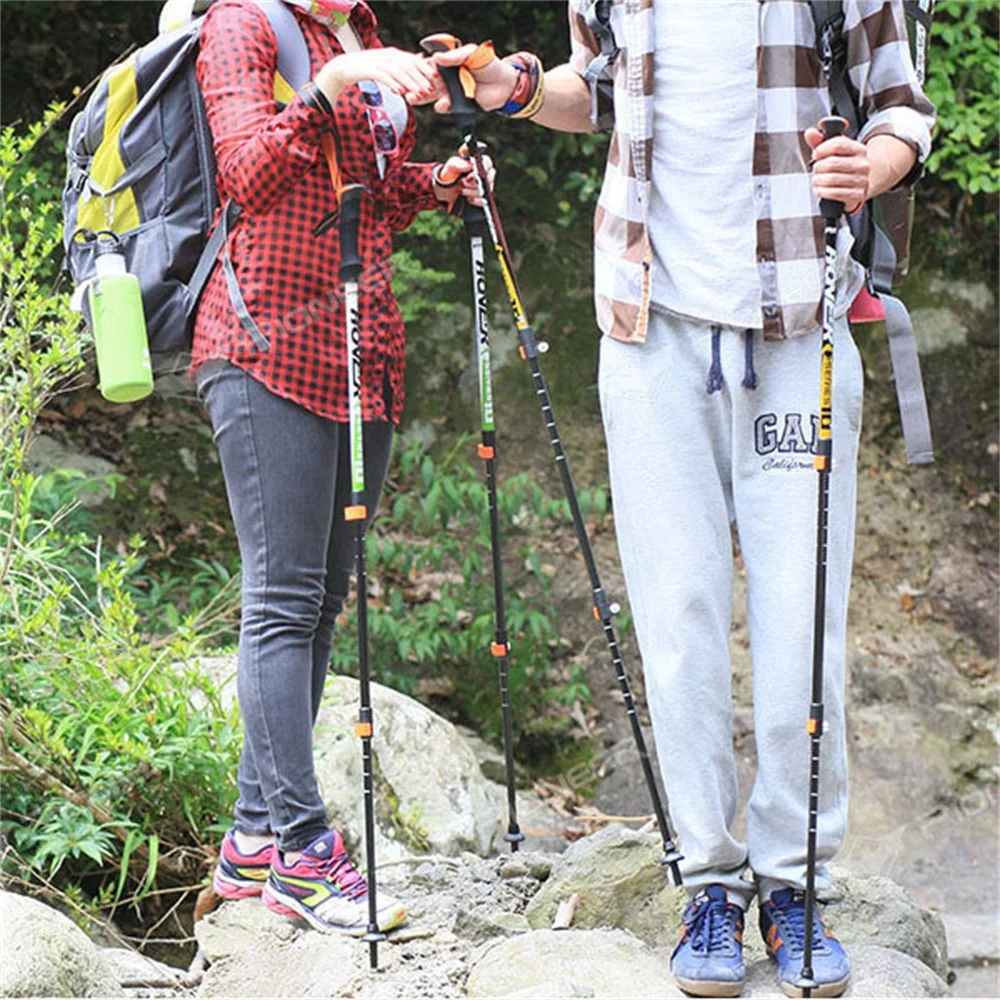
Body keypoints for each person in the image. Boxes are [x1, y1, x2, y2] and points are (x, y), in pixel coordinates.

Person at [432, 3, 934, 996]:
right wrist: (516, 89)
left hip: (800, 319)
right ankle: (707, 881)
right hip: (649, 322)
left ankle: (795, 882)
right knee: (676, 615)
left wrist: (868, 169)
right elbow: (598, 90)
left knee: (802, 622)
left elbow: (903, 112)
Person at [192, 0, 486, 935]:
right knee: (282, 599)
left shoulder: (358, 29)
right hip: (262, 344)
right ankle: (305, 851)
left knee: (319, 603)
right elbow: (247, 173)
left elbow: (365, 199)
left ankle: (252, 839)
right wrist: (330, 85)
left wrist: (437, 184)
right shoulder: (243, 23)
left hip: (361, 354)